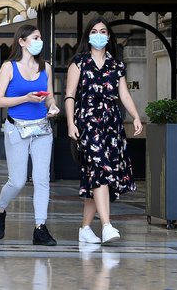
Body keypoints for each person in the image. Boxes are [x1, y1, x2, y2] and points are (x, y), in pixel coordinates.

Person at [66, 16, 142, 245]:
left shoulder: (116, 66)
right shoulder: (79, 62)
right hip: (87, 123)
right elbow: (69, 95)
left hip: (111, 125)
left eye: (103, 31)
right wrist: (70, 122)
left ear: (109, 36)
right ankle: (107, 226)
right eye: (95, 31)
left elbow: (124, 95)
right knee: (101, 170)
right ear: (88, 35)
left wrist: (136, 116)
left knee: (97, 176)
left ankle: (85, 229)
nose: (99, 35)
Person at [0, 24, 60, 246]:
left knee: (42, 179)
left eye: (40, 37)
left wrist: (52, 106)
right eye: (35, 37)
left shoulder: (45, 67)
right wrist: (25, 98)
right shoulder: (8, 68)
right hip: (16, 128)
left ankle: (40, 227)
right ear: (22, 41)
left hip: (41, 128)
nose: (39, 41)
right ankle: (0, 208)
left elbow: (49, 96)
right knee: (18, 181)